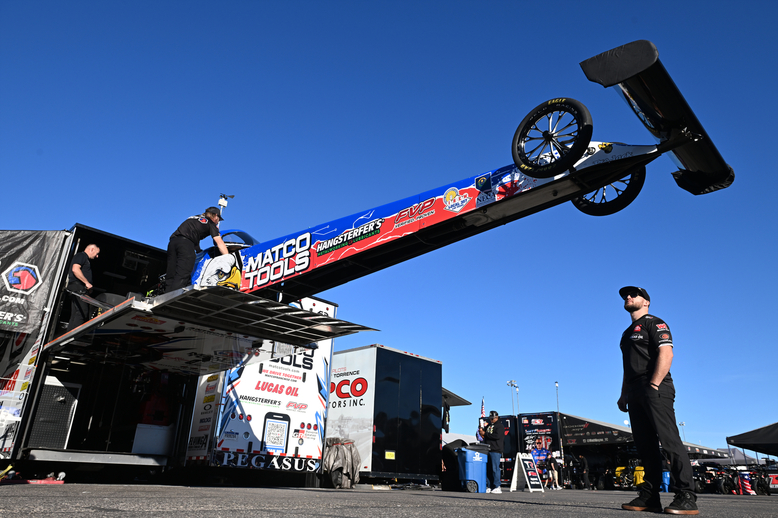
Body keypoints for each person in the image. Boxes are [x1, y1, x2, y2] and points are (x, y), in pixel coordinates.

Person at [617, 286, 698, 515]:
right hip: (634, 391)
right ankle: (650, 496)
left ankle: (686, 495)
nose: (628, 297)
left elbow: (666, 353)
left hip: (656, 386)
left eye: (633, 294)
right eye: (625, 295)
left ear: (646, 302)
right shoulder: (626, 333)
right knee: (645, 445)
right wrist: (624, 393)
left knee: (669, 441)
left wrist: (653, 384)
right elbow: (627, 367)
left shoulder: (655, 323)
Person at [166, 207, 229, 292]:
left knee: (171, 272)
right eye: (219, 219)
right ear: (215, 216)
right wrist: (227, 257)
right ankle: (174, 295)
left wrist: (199, 251)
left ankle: (166, 295)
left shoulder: (194, 218)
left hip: (173, 242)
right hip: (186, 244)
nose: (218, 221)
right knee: (183, 272)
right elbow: (219, 242)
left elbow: (194, 235)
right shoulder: (211, 223)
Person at [66, 244, 100, 331]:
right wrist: (86, 283)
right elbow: (75, 269)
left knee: (76, 313)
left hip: (78, 287)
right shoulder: (81, 256)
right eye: (96, 253)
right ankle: (73, 335)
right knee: (82, 312)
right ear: (91, 249)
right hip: (78, 287)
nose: (97, 256)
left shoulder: (84, 258)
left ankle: (69, 333)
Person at [478, 410, 504, 494]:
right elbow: (483, 434)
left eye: (493, 418)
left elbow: (497, 436)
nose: (491, 420)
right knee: (488, 469)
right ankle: (490, 486)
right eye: (490, 418)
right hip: (487, 449)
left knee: (495, 468)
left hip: (495, 450)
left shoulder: (500, 426)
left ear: (497, 417)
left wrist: (485, 434)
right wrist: (481, 430)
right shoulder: (489, 426)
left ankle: (497, 486)